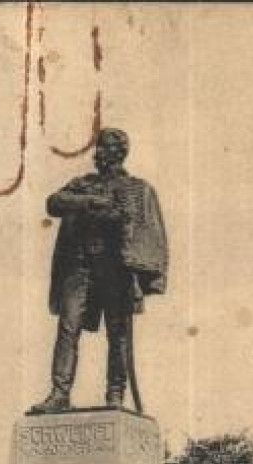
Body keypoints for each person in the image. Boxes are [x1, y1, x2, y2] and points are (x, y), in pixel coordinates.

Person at [29, 127, 168, 415]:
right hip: (79, 267)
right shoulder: (83, 184)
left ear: (117, 153)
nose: (97, 153)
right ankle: (59, 393)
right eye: (98, 147)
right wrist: (91, 202)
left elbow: (149, 232)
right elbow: (54, 202)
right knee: (68, 327)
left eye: (103, 147)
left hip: (115, 269)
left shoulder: (136, 189)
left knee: (117, 334)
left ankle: (115, 394)